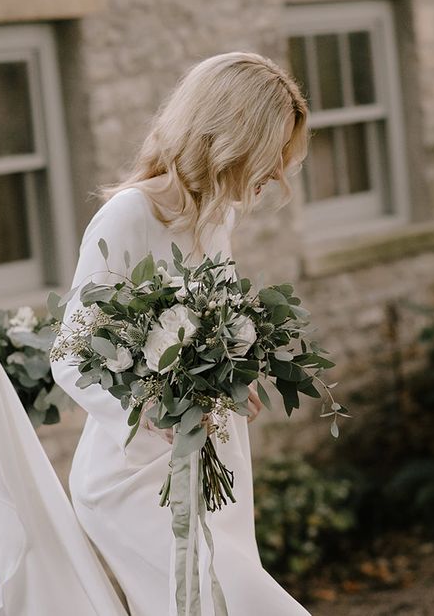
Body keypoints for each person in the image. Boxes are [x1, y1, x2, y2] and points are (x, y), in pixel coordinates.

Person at [51, 52, 311, 615]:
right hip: (136, 476)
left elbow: (213, 326)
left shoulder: (219, 217)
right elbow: (70, 355)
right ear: (232, 137)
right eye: (272, 155)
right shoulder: (128, 216)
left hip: (213, 458)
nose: (276, 174)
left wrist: (234, 374)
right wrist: (150, 408)